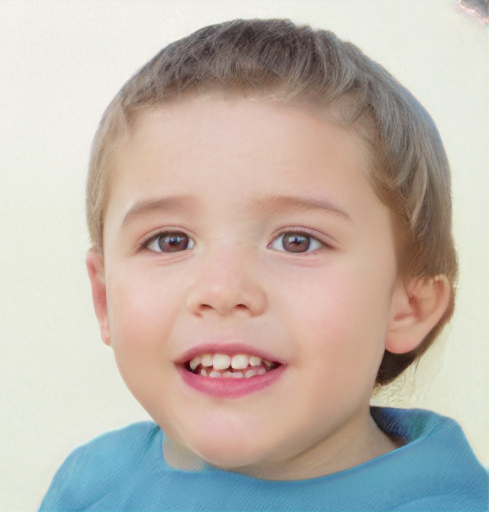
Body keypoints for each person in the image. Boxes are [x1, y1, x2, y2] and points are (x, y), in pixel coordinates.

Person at [39, 19, 488, 511]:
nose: (222, 288)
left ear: (408, 306)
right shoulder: (91, 485)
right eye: (170, 241)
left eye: (297, 242)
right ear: (104, 299)